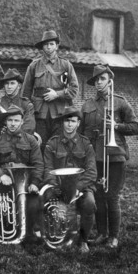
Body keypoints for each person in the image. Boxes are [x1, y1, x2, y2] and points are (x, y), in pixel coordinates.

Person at [81, 65, 138, 249]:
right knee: (98, 196)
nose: (99, 83)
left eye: (103, 79)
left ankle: (113, 236)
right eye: (97, 80)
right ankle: (101, 233)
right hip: (95, 157)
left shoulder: (120, 103)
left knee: (112, 196)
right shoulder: (87, 105)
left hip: (115, 157)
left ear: (110, 81)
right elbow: (82, 133)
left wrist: (116, 126)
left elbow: (136, 127)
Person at [43, 106, 97, 253]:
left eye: (73, 121)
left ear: (78, 123)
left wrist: (77, 188)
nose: (69, 125)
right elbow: (47, 169)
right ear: (62, 123)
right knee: (48, 201)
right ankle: (57, 236)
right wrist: (54, 186)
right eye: (67, 121)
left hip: (81, 188)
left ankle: (83, 240)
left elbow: (92, 172)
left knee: (90, 203)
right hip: (58, 187)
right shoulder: (52, 143)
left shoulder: (86, 144)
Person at [0, 105, 44, 242]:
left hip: (26, 186)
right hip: (4, 185)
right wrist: (1, 175)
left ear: (22, 121)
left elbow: (38, 164)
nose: (13, 124)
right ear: (5, 122)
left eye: (16, 120)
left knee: (33, 205)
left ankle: (29, 231)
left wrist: (35, 183)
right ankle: (4, 227)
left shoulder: (31, 140)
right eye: (10, 120)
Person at [22, 30, 79, 147]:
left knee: (58, 146)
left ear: (57, 46)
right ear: (42, 47)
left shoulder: (66, 65)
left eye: (51, 44)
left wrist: (57, 94)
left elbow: (74, 89)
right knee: (39, 145)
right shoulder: (34, 66)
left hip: (59, 114)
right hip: (39, 114)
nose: (48, 47)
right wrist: (27, 114)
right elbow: (25, 94)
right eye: (46, 44)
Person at [0, 68, 36, 136]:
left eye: (12, 83)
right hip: (1, 143)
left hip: (21, 142)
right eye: (6, 84)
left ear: (19, 86)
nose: (9, 86)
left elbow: (29, 128)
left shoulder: (26, 105)